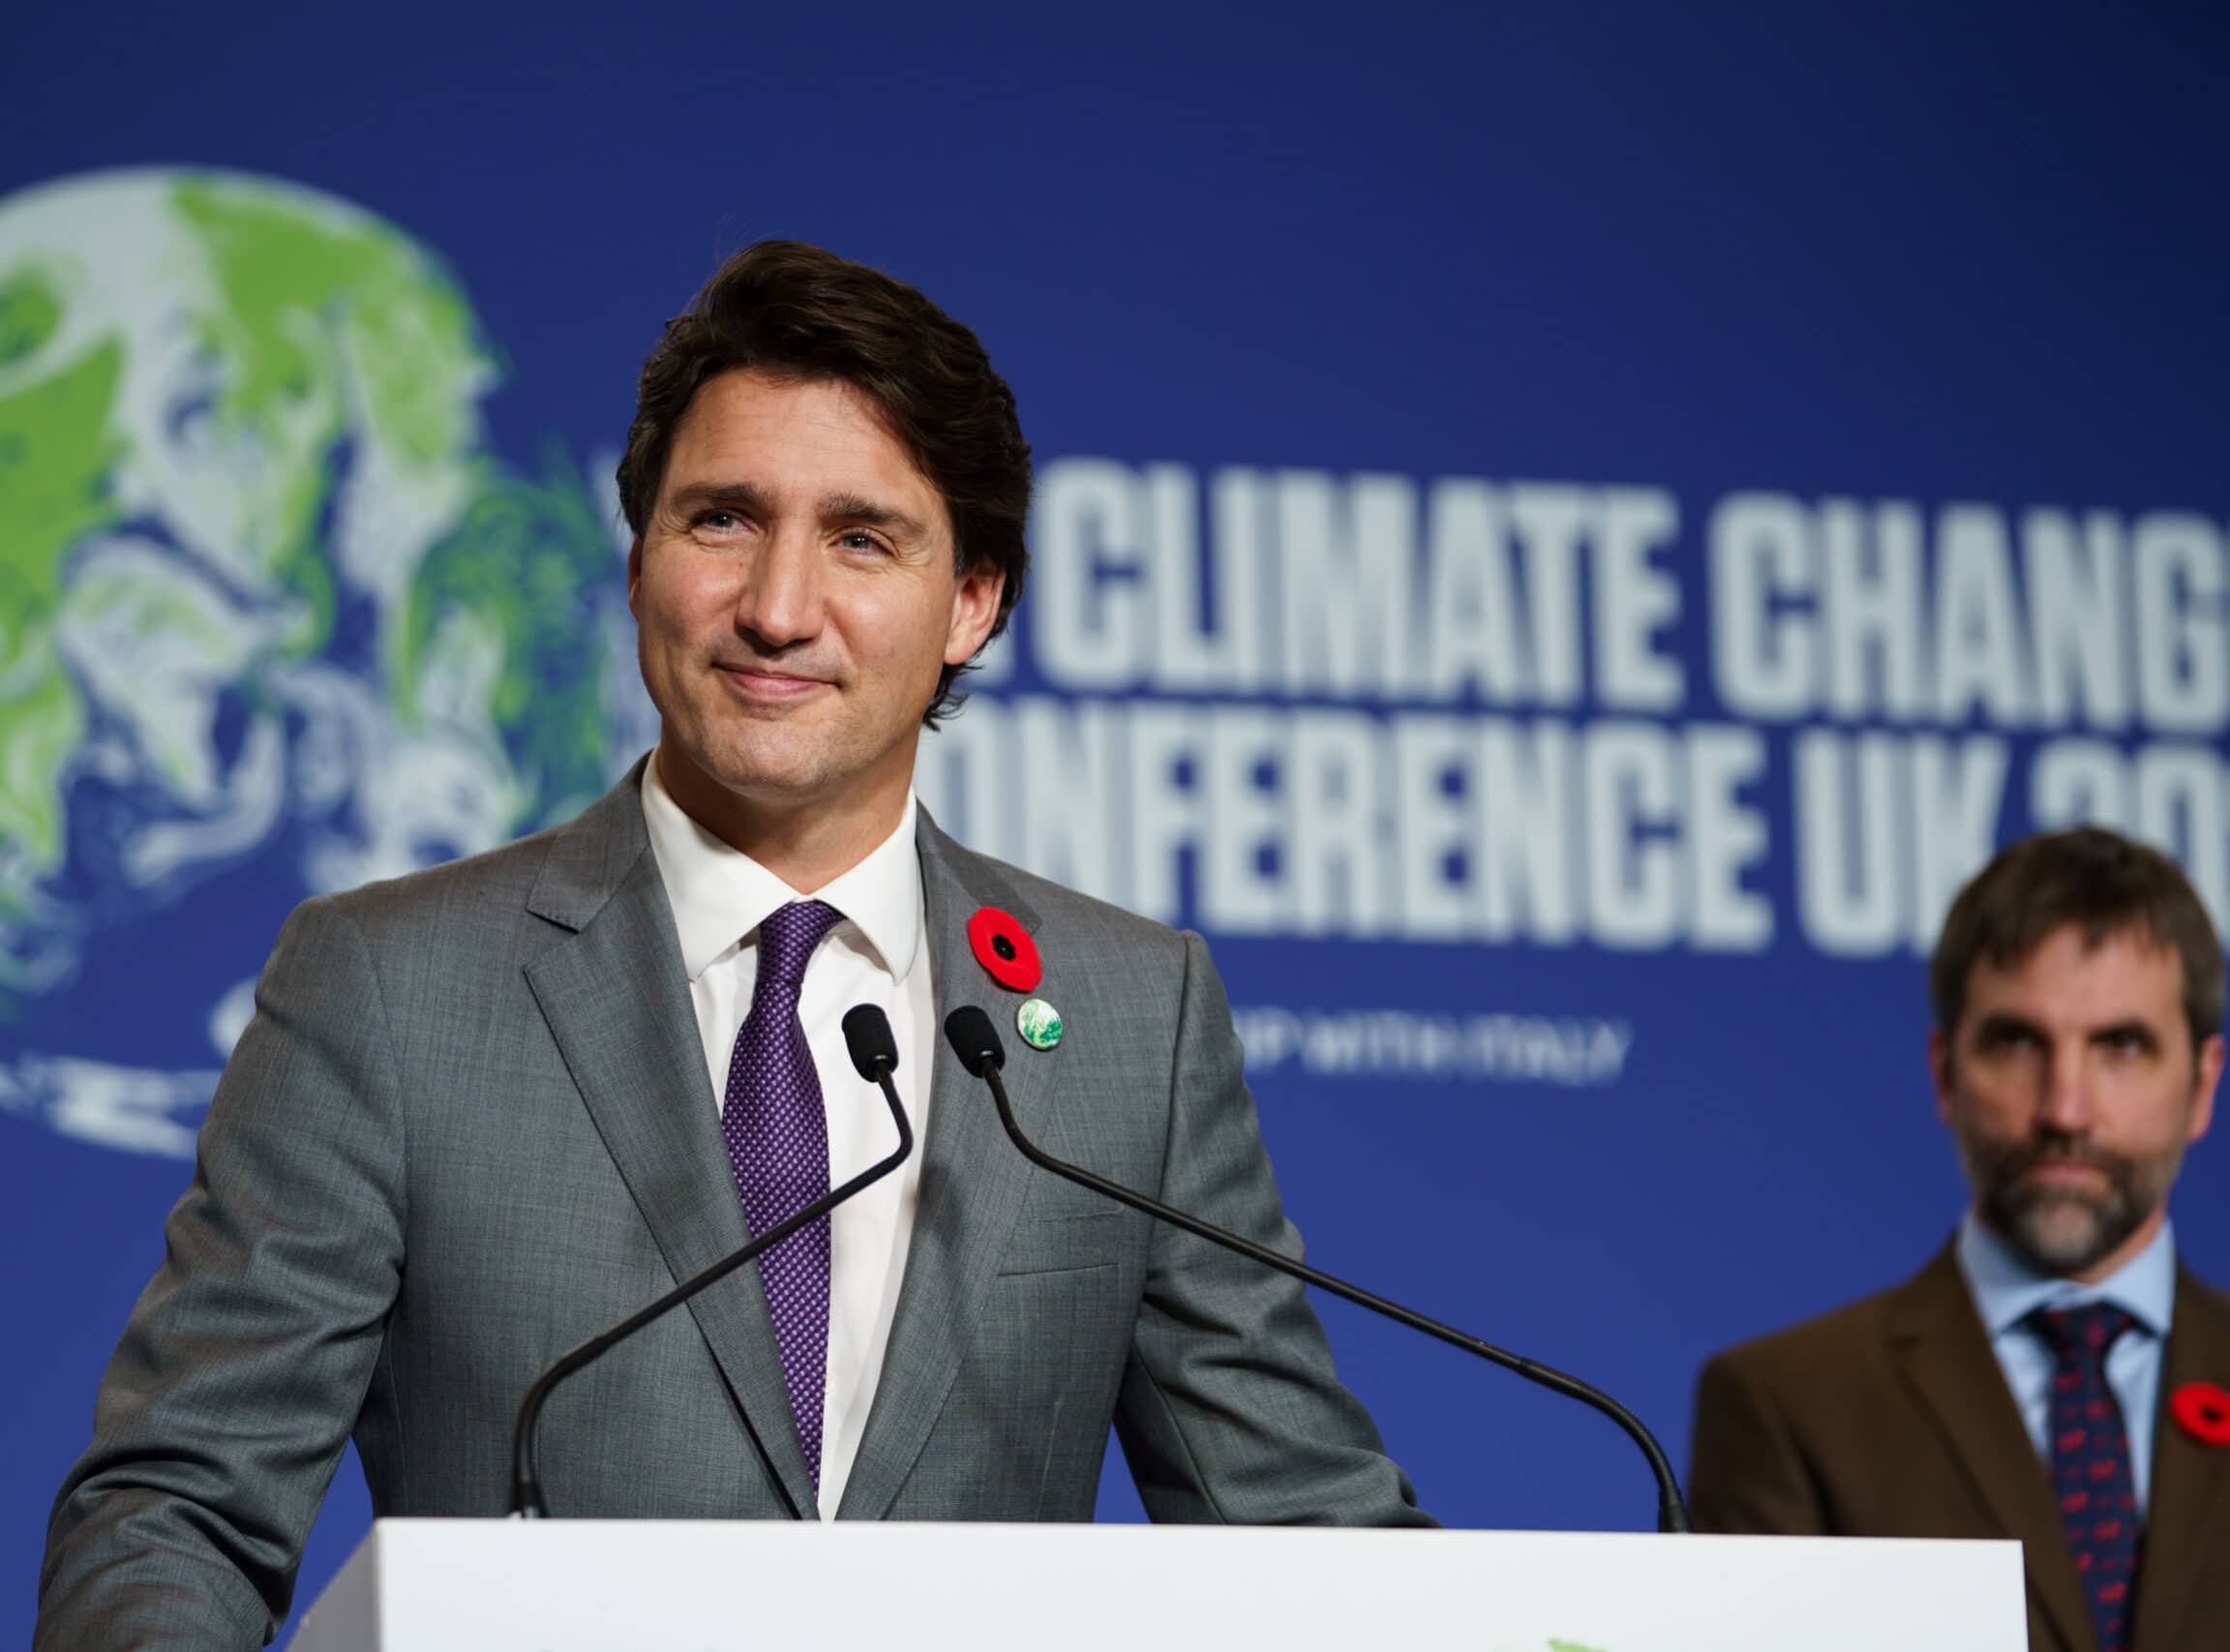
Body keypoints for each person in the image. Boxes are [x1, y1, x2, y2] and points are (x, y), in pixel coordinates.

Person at [38, 240, 1426, 1650]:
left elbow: (1308, 1532)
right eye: (721, 520)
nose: (776, 605)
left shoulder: (1129, 1016)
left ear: (974, 602)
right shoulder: (389, 988)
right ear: (638, 554)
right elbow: (176, 1512)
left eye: (862, 537)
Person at [1689, 826, 2230, 1652]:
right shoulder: (1789, 1406)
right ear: (1944, 1074)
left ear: (2202, 1085)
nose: (2066, 1108)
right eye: (2017, 1041)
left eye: (2121, 1046)